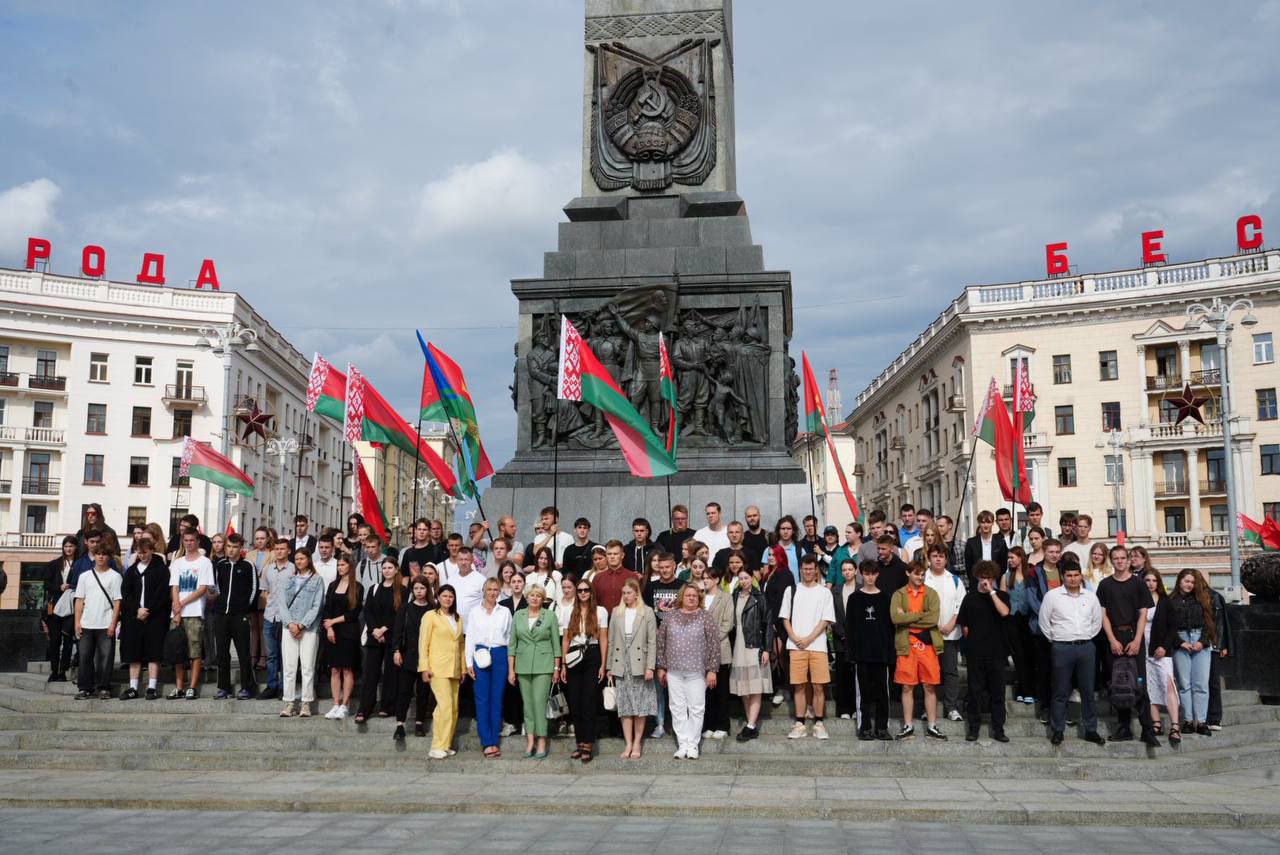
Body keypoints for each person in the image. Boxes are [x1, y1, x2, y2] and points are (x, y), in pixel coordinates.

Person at [1096, 545, 1159, 747]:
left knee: (1139, 682)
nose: (1120, 561)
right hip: (1113, 638)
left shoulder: (1138, 584)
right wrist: (1112, 640)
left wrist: (1138, 640)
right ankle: (1124, 728)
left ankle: (1147, 729)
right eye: (1116, 558)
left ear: (1128, 560)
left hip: (1134, 637)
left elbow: (1143, 614)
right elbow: (1102, 614)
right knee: (1118, 683)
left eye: (1123, 558)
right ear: (1111, 560)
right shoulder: (1105, 585)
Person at [1038, 563, 1107, 747]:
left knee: (1087, 691)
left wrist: (1084, 638)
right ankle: (1058, 730)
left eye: (1076, 575)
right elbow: (1044, 622)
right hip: (1062, 648)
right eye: (1069, 575)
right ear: (1063, 576)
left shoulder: (1090, 597)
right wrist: (1059, 639)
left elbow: (1096, 621)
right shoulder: (1052, 596)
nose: (1073, 578)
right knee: (1060, 691)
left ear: (1081, 576)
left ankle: (1091, 730)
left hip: (1086, 647)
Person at [655, 582, 720, 759]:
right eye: (688, 595)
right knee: (677, 708)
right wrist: (661, 667)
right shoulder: (670, 617)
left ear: (699, 598)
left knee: (696, 708)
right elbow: (661, 643)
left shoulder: (705, 616)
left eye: (695, 595)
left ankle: (693, 745)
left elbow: (714, 644)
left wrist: (712, 670)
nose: (691, 598)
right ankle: (682, 744)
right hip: (674, 671)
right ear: (681, 597)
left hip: (697, 671)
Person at [780, 555, 836, 740]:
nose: (808, 572)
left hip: (818, 646)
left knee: (819, 686)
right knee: (799, 686)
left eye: (811, 569)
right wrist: (795, 638)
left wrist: (809, 638)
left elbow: (826, 620)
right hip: (796, 646)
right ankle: (800, 723)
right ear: (801, 569)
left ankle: (819, 723)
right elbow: (785, 618)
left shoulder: (824, 592)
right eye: (805, 568)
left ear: (816, 570)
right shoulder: (791, 590)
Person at [957, 560, 1011, 741]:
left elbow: (1004, 612)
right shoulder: (970, 597)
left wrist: (992, 593)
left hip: (997, 653)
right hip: (976, 653)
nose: (985, 580)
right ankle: (973, 728)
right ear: (977, 576)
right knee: (974, 693)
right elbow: (964, 627)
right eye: (982, 577)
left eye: (989, 577)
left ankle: (998, 729)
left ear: (994, 578)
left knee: (998, 693)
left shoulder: (1002, 596)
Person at [891, 563, 946, 740]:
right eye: (916, 574)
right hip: (906, 645)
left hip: (928, 645)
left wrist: (907, 617)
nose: (920, 578)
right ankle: (908, 725)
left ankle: (932, 725)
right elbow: (895, 618)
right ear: (908, 573)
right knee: (907, 686)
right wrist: (920, 615)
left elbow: (933, 619)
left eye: (922, 575)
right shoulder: (898, 594)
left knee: (930, 686)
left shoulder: (931, 593)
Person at [507, 584, 561, 759]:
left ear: (542, 598)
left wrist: (556, 668)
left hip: (543, 665)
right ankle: (530, 739)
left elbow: (556, 645)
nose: (535, 598)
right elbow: (512, 645)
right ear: (527, 597)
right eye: (532, 595)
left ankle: (542, 739)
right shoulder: (518, 615)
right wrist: (511, 670)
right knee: (528, 705)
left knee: (539, 703)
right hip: (522, 665)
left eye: (538, 595)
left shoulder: (550, 616)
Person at [607, 577, 657, 759]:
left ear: (636, 593)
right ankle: (628, 743)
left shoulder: (647, 612)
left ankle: (637, 743)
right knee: (625, 706)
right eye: (624, 593)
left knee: (640, 705)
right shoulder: (617, 612)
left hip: (640, 662)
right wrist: (609, 666)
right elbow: (611, 641)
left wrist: (650, 666)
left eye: (629, 593)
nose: (626, 596)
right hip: (621, 662)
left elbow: (652, 642)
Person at [562, 576, 608, 762]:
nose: (582, 593)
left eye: (585, 590)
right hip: (573, 656)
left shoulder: (600, 611)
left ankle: (588, 743)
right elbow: (565, 638)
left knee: (589, 700)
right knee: (575, 701)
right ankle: (580, 743)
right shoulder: (568, 612)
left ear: (591, 592)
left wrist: (603, 664)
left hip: (592, 654)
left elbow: (604, 638)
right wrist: (563, 664)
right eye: (579, 590)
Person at [356, 555, 404, 724]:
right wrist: (375, 629)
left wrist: (384, 629)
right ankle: (364, 708)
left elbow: (399, 614)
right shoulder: (374, 588)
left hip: (391, 637)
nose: (387, 571)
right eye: (384, 568)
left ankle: (387, 706)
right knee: (370, 674)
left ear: (396, 569)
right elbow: (367, 611)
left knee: (390, 673)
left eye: (390, 568)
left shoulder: (402, 590)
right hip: (373, 636)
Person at [467, 578, 512, 758]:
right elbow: (470, 638)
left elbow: (509, 638)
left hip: (500, 654)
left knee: (497, 698)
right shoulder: (474, 612)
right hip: (480, 654)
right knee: (482, 698)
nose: (493, 593)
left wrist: (510, 664)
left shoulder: (505, 612)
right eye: (489, 589)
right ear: (483, 591)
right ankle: (487, 742)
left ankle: (494, 740)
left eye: (496, 589)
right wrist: (469, 663)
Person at [848, 561, 894, 740]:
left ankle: (882, 727)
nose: (869, 577)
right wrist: (852, 654)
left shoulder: (885, 598)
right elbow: (850, 628)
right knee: (864, 694)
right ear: (861, 574)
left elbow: (889, 628)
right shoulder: (855, 598)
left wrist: (890, 653)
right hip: (862, 654)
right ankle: (865, 727)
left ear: (877, 575)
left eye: (872, 574)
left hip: (881, 654)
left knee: (883, 694)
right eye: (866, 574)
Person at [419, 585, 465, 758]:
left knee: (453, 708)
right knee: (444, 706)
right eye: (444, 596)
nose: (447, 599)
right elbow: (423, 643)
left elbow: (461, 644)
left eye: (451, 596)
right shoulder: (430, 616)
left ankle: (446, 744)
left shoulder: (458, 618)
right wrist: (424, 667)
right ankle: (436, 745)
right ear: (438, 597)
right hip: (437, 667)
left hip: (454, 668)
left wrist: (463, 668)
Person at [212, 533, 259, 700]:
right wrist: (218, 605)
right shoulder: (220, 565)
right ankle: (223, 687)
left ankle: (247, 687)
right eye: (229, 546)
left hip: (240, 616)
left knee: (243, 653)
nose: (231, 550)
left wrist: (245, 609)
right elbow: (216, 588)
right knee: (222, 653)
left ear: (241, 548)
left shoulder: (248, 565)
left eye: (234, 547)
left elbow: (254, 589)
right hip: (222, 616)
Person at [1170, 568, 1216, 736]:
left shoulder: (1202, 599)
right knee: (1184, 684)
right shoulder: (1170, 600)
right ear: (1179, 581)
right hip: (1180, 641)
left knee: (1201, 684)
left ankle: (1202, 721)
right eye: (1186, 581)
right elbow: (1168, 627)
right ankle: (1188, 721)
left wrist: (1202, 642)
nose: (1189, 584)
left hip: (1200, 641)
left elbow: (1210, 623)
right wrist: (1180, 642)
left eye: (1192, 582)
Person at [73, 543, 123, 700]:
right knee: (84, 657)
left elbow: (117, 602)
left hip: (105, 623)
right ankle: (85, 688)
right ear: (93, 556)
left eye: (104, 554)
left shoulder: (115, 576)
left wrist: (113, 624)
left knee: (106, 658)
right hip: (87, 623)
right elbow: (79, 600)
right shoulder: (84, 576)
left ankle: (104, 688)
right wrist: (77, 622)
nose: (101, 556)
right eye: (98, 554)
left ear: (109, 557)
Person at [168, 530, 214, 700]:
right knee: (177, 650)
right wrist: (176, 608)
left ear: (197, 541)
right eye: (186, 540)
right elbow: (174, 586)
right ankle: (179, 686)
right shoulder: (178, 563)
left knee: (194, 650)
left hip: (194, 611)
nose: (189, 543)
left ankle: (192, 686)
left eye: (192, 540)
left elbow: (202, 588)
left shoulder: (205, 563)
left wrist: (182, 604)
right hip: (177, 612)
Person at [278, 549, 324, 718]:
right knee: (289, 667)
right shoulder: (289, 579)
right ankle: (289, 702)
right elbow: (282, 604)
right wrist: (290, 624)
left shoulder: (317, 580)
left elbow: (317, 605)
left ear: (308, 559)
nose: (299, 561)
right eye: (296, 558)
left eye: (302, 558)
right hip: (288, 627)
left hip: (309, 629)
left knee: (307, 666)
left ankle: (306, 703)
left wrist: (302, 625)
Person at [729, 565, 773, 741]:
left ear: (752, 579)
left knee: (755, 687)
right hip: (738, 644)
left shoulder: (759, 597)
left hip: (754, 645)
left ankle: (751, 724)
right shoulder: (734, 596)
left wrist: (767, 649)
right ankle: (750, 723)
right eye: (740, 578)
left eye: (746, 578)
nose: (743, 581)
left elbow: (767, 624)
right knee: (744, 688)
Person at [923, 543, 965, 723]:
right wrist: (932, 625)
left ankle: (951, 707)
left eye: (941, 556)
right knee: (927, 672)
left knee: (950, 671)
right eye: (934, 556)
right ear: (929, 558)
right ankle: (926, 708)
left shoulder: (955, 580)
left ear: (946, 559)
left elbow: (960, 605)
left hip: (950, 632)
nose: (938, 559)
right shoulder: (922, 578)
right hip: (927, 634)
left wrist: (951, 623)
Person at [389, 574, 434, 740]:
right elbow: (398, 631)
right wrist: (396, 650)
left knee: (423, 691)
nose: (419, 591)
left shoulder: (432, 609)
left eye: (422, 588)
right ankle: (400, 724)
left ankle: (419, 722)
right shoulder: (405, 608)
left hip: (426, 656)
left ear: (427, 589)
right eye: (416, 588)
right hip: (408, 654)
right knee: (404, 690)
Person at [644, 551, 683, 740]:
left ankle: (677, 724)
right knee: (658, 687)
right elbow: (646, 613)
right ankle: (659, 724)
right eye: (662, 567)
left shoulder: (682, 586)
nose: (665, 570)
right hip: (657, 641)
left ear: (674, 566)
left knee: (676, 686)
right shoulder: (650, 587)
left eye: (668, 567)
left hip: (678, 642)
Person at [321, 554, 362, 721]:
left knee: (347, 668)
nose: (340, 568)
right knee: (334, 669)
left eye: (343, 565)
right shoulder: (332, 585)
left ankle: (345, 704)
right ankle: (335, 703)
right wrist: (329, 627)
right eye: (338, 565)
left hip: (348, 632)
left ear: (350, 567)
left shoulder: (357, 587)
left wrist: (333, 621)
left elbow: (354, 612)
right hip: (332, 632)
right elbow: (327, 608)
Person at [1142, 568, 1181, 746]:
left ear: (1159, 583)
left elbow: (1173, 627)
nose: (1150, 584)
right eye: (1147, 580)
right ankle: (1156, 722)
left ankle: (1175, 725)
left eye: (1153, 580)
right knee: (1150, 687)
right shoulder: (1138, 601)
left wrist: (1164, 647)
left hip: (1161, 650)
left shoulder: (1165, 601)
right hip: (1142, 648)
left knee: (1168, 685)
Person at [258, 538, 295, 701]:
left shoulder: (293, 568)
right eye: (277, 549)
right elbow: (264, 590)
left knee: (285, 654)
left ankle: (285, 687)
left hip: (286, 617)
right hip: (270, 615)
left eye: (282, 549)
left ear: (288, 551)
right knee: (271, 654)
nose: (279, 551)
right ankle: (272, 685)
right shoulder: (268, 569)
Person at [700, 565, 734, 739]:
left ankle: (722, 724)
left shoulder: (725, 597)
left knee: (721, 689)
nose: (705, 580)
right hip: (700, 651)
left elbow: (727, 624)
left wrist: (710, 640)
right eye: (704, 577)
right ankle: (709, 724)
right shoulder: (700, 597)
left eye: (708, 577)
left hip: (720, 648)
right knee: (706, 691)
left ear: (716, 580)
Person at [1001, 546, 1037, 707]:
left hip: (1028, 619)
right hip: (1012, 620)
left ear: (1021, 557)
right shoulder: (1006, 576)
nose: (1010, 560)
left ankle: (1026, 690)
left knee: (1029, 656)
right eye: (1008, 558)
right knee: (1018, 656)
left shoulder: (1031, 575)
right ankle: (1024, 691)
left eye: (1012, 557)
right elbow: (1002, 598)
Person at [43, 536, 79, 683]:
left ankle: (63, 670)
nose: (68, 549)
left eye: (71, 546)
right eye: (66, 546)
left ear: (76, 547)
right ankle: (53, 670)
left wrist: (70, 587)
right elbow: (46, 585)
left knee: (68, 639)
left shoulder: (79, 564)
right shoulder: (54, 564)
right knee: (54, 641)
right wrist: (59, 587)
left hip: (71, 606)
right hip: (55, 606)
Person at [762, 545, 795, 704]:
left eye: (774, 555)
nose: (770, 557)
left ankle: (786, 688)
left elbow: (782, 600)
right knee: (774, 656)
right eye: (769, 554)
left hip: (780, 622)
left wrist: (775, 621)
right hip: (769, 621)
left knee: (780, 656)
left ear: (781, 556)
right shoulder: (768, 573)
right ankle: (778, 688)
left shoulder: (785, 574)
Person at [1202, 570, 1231, 731]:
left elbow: (1221, 623)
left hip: (1212, 646)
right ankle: (1201, 717)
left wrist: (1222, 645)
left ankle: (1214, 717)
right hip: (1196, 647)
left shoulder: (1214, 597)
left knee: (1213, 682)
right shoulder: (1187, 599)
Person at [830, 558, 858, 720]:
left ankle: (856, 708)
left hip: (857, 640)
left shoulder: (861, 589)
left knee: (856, 675)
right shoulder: (835, 591)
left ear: (855, 571)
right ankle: (843, 709)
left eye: (850, 569)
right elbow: (832, 615)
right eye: (844, 570)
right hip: (840, 639)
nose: (847, 572)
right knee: (842, 675)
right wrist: (842, 634)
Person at [964, 511, 1008, 591]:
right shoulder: (971, 542)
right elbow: (969, 566)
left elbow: (1003, 565)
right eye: (983, 522)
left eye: (988, 522)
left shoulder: (1000, 542)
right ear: (979, 523)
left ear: (992, 523)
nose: (986, 525)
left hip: (995, 583)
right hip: (977, 583)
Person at [592, 541, 639, 613]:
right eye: (609, 554)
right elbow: (593, 603)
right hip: (603, 621)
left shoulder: (632, 576)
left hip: (626, 620)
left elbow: (638, 602)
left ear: (622, 555)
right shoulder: (598, 578)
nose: (612, 557)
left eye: (615, 554)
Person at [445, 546, 487, 625]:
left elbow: (487, 603)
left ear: (472, 561)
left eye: (466, 559)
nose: (463, 563)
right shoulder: (451, 580)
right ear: (457, 561)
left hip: (473, 627)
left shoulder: (481, 580)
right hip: (454, 626)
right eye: (461, 559)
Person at [773, 515, 804, 581]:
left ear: (793, 531)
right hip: (776, 589)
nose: (786, 532)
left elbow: (805, 572)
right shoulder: (770, 550)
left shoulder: (800, 550)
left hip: (795, 589)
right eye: (783, 529)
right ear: (778, 530)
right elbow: (766, 574)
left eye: (789, 529)